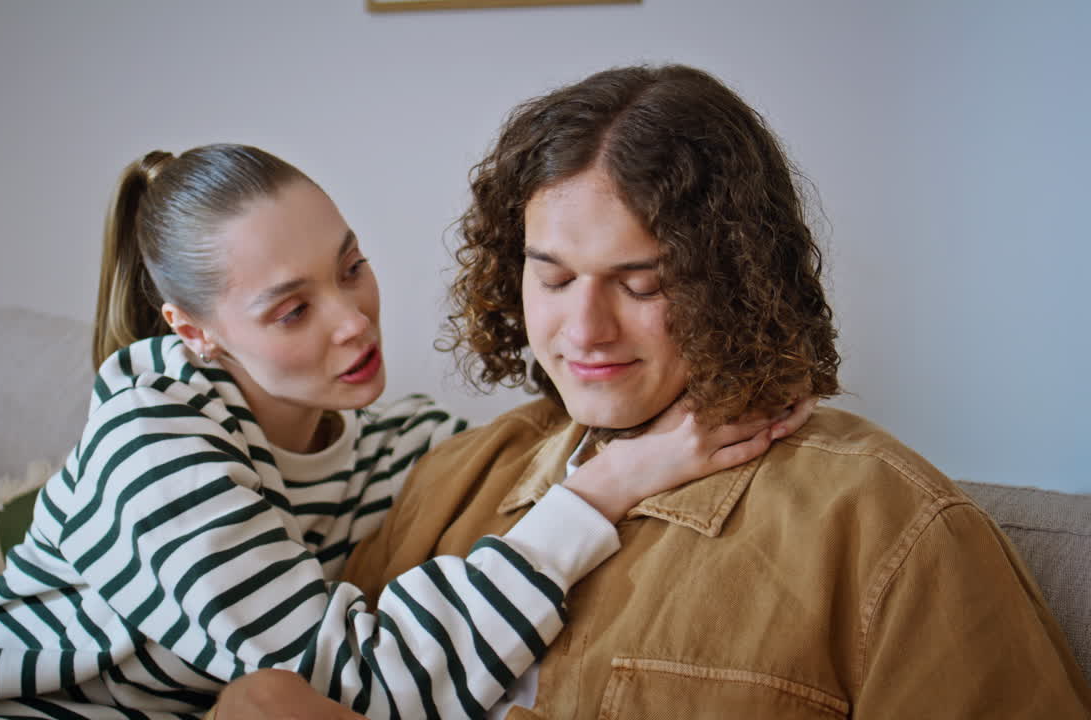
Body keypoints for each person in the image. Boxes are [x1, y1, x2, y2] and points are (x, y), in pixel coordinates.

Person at [224, 65, 1091, 718]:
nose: (586, 330)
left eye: (641, 283)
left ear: (733, 280)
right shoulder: (451, 478)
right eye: (553, 280)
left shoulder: (886, 527)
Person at [0, 144, 811, 719]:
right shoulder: (153, 439)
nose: (354, 320)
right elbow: (357, 684)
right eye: (292, 309)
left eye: (351, 267)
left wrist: (705, 395)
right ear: (191, 331)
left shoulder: (395, 443)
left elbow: (522, 461)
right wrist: (602, 491)